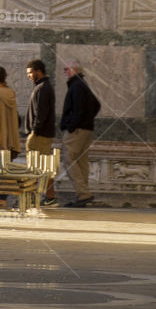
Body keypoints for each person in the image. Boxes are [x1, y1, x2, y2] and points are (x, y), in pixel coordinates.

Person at [60, 60, 101, 207]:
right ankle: (83, 194)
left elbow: (79, 109)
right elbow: (97, 105)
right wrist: (87, 120)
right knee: (81, 161)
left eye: (67, 69)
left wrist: (72, 125)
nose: (64, 72)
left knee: (68, 158)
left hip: (76, 130)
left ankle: (83, 194)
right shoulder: (82, 85)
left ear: (75, 70)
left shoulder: (76, 86)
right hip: (86, 129)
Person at [25, 58, 57, 204]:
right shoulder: (43, 86)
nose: (29, 76)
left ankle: (33, 196)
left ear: (39, 71)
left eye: (30, 73)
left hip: (40, 134)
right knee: (43, 166)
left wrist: (34, 131)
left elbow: (41, 113)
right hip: (42, 133)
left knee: (35, 166)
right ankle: (49, 197)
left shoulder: (43, 88)